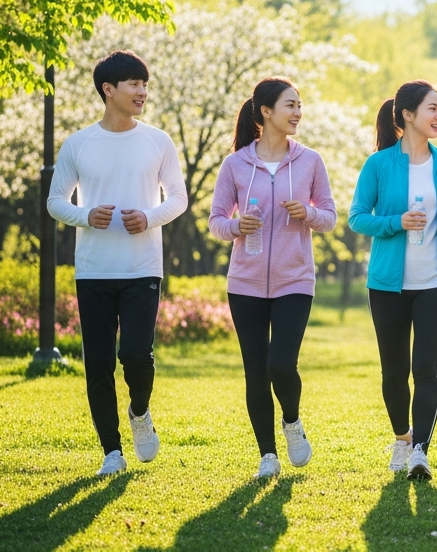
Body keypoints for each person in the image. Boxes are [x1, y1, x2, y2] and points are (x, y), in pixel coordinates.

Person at [47, 51, 188, 476]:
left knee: (136, 356)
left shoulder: (158, 141)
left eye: (144, 83)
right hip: (93, 270)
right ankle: (112, 451)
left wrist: (149, 217)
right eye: (133, 83)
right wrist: (84, 215)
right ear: (108, 89)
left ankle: (140, 413)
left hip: (143, 266)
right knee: (99, 364)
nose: (142, 91)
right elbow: (56, 201)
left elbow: (178, 199)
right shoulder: (79, 144)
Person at [209, 78, 337, 479]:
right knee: (255, 369)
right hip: (244, 282)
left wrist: (308, 214)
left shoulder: (310, 161)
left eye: (299, 105)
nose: (297, 113)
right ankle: (268, 455)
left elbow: (331, 218)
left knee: (280, 364)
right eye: (290, 105)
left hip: (295, 279)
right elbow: (215, 221)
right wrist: (235, 227)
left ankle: (293, 423)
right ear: (266, 112)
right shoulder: (235, 164)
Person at [349, 80, 437, 481]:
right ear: (408, 115)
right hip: (387, 285)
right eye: (432, 108)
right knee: (394, 371)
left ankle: (420, 451)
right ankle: (402, 438)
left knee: (426, 367)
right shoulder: (379, 164)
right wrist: (395, 222)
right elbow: (357, 217)